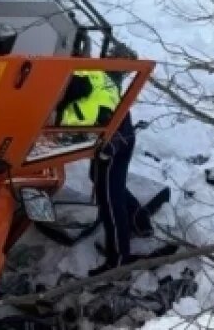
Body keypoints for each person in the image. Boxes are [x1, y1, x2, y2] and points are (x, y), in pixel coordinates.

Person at [58, 70, 153, 275]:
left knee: (110, 200)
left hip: (114, 142)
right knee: (105, 183)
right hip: (119, 134)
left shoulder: (78, 86)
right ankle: (139, 220)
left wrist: (109, 148)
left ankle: (118, 259)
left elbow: (103, 117)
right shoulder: (92, 74)